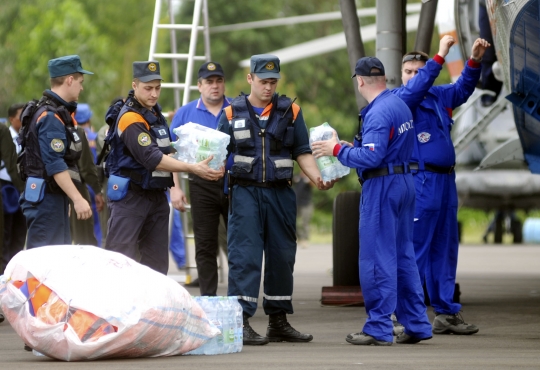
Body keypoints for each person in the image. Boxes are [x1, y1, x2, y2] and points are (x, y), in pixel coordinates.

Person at [311, 56, 432, 345]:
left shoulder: (377, 112)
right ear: (384, 78)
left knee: (377, 257)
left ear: (361, 81)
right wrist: (357, 148)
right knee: (404, 256)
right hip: (404, 182)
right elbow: (382, 148)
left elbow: (372, 156)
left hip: (382, 186)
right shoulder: (399, 104)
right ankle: (416, 323)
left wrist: (337, 148)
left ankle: (378, 327)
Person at [218, 54, 333, 346]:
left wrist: (317, 177)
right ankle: (241, 322)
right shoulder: (231, 113)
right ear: (250, 79)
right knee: (245, 256)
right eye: (263, 81)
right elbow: (217, 152)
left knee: (283, 255)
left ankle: (278, 321)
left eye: (273, 82)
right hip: (245, 193)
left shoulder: (290, 111)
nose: (268, 87)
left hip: (281, 193)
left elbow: (303, 151)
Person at [392, 37, 490, 335]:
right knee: (416, 248)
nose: (413, 76)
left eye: (417, 70)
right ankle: (405, 314)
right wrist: (441, 55)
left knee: (444, 248)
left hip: (446, 180)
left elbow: (462, 90)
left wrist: (473, 61)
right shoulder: (400, 100)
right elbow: (419, 86)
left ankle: (445, 312)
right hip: (421, 180)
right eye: (408, 71)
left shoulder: (437, 96)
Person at [104, 61, 223, 275]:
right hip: (130, 197)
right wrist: (193, 168)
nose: (154, 93)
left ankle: (151, 309)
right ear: (135, 85)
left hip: (156, 197)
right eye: (148, 88)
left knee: (156, 266)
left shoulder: (155, 113)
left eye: (157, 87)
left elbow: (167, 149)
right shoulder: (130, 117)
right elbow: (153, 158)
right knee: (119, 262)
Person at [19, 55, 93, 248]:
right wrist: (77, 199)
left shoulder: (54, 112)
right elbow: (55, 165)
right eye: (80, 82)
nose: (81, 87)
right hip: (46, 201)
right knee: (43, 267)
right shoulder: (51, 117)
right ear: (69, 80)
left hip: (51, 198)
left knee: (55, 264)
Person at [170, 61, 231, 296]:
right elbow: (172, 153)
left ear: (224, 83)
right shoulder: (185, 113)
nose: (214, 86)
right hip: (201, 185)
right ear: (199, 85)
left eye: (218, 81)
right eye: (209, 82)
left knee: (237, 244)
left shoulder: (236, 109)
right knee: (205, 245)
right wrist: (175, 188)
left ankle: (239, 303)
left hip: (232, 184)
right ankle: (209, 300)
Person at [0, 104, 26, 272]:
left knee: (20, 230)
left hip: (22, 187)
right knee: (5, 232)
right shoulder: (5, 133)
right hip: (6, 188)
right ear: (12, 119)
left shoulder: (27, 136)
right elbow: (10, 164)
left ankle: (15, 270)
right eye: (21, 116)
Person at [292, 170, 313, 249]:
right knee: (293, 221)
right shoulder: (297, 177)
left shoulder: (308, 179)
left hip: (306, 204)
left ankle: (305, 239)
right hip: (296, 203)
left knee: (305, 222)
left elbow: (313, 185)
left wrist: (308, 179)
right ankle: (299, 237)